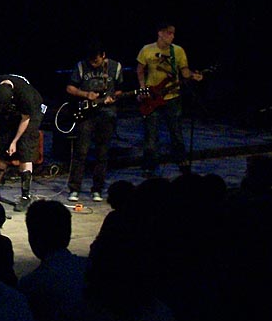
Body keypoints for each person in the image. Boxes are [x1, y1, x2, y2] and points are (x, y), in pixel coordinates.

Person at [135, 22, 203, 176]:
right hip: (152, 96)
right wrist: (142, 88)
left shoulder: (177, 51)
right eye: (169, 33)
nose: (172, 36)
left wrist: (193, 75)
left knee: (176, 132)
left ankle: (182, 161)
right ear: (160, 33)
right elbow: (140, 70)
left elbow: (184, 72)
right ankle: (149, 165)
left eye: (173, 33)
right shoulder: (147, 49)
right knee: (151, 134)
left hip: (172, 97)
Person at [0, 74, 45, 212]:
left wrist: (15, 141)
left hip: (32, 114)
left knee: (25, 149)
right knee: (2, 147)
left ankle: (25, 196)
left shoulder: (26, 96)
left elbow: (25, 119)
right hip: (11, 113)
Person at [65, 43, 124, 202]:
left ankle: (97, 189)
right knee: (81, 152)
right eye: (91, 61)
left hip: (107, 114)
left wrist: (114, 97)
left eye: (96, 61)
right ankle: (74, 189)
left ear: (103, 55)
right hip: (86, 114)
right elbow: (70, 88)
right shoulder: (81, 66)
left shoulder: (115, 67)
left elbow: (119, 89)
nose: (93, 64)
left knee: (102, 153)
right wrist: (85, 94)